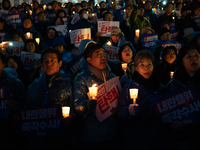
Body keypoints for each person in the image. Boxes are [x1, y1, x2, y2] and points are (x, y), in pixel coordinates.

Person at [73, 43, 121, 150]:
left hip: (112, 132)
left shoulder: (112, 76)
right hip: (92, 134)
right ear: (89, 60)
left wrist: (119, 110)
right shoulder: (81, 78)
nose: (103, 56)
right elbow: (77, 104)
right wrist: (87, 105)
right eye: (98, 54)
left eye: (103, 53)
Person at [117, 50, 164, 150]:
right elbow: (120, 110)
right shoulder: (129, 86)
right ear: (136, 67)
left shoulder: (159, 86)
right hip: (137, 137)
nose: (146, 68)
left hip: (158, 136)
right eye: (141, 65)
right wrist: (128, 111)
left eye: (149, 64)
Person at [165, 45, 200, 150]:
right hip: (182, 138)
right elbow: (167, 111)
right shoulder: (173, 85)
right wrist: (173, 123)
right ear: (182, 61)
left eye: (196, 56)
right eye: (188, 56)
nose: (193, 58)